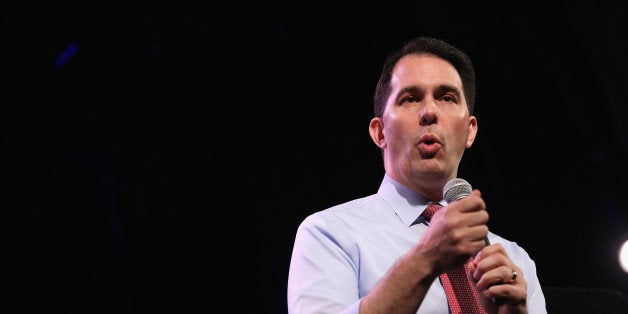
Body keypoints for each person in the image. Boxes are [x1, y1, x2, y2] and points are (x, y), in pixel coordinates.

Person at [287, 36, 546, 313]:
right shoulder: (330, 234)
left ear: (470, 130)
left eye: (446, 98)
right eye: (410, 98)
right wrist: (427, 258)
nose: (429, 112)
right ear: (380, 132)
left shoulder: (517, 264)